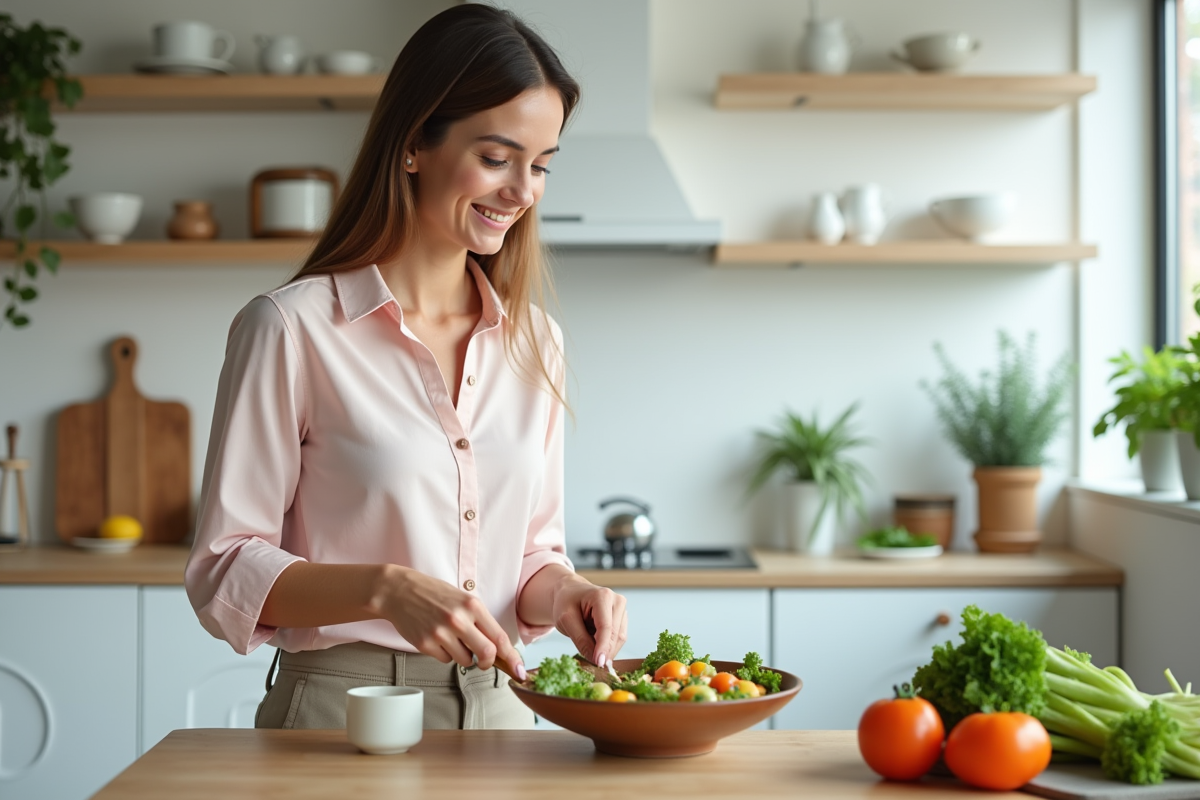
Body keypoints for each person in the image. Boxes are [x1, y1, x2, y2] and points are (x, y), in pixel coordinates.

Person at [184, 4, 628, 731]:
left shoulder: (533, 340)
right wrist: (385, 590)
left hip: (503, 708)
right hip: (340, 713)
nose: (523, 191)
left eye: (541, 165)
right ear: (416, 143)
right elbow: (223, 570)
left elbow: (530, 556)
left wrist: (567, 591)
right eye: (496, 157)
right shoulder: (291, 328)